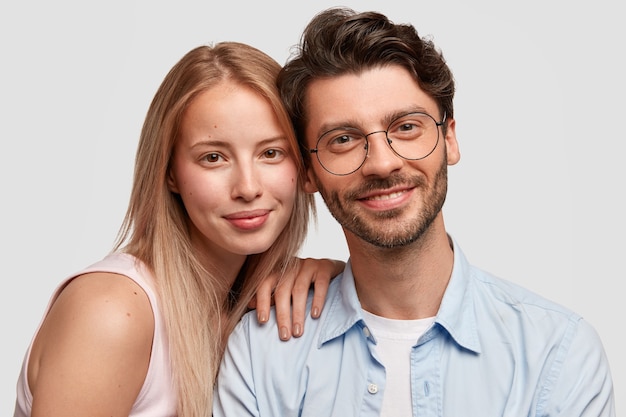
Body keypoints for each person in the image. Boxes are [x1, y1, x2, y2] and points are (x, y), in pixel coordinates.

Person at [213, 7, 616, 417]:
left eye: (406, 127)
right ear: (308, 172)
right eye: (343, 138)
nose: (382, 163)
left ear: (449, 139)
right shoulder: (259, 353)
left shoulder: (557, 352)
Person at [13, 41, 344, 417]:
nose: (248, 187)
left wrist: (341, 282)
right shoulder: (113, 311)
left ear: (302, 167)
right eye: (213, 157)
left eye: (271, 153)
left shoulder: (249, 310)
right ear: (169, 172)